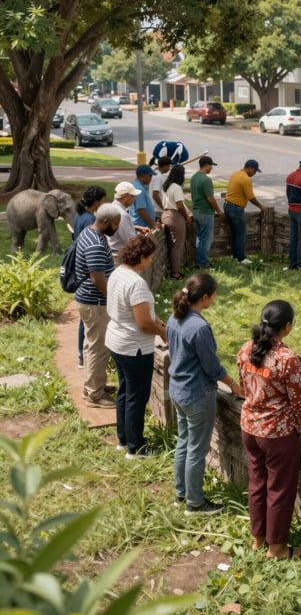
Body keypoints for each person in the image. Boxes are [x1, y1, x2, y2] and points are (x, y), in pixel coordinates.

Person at [237, 300, 301, 557]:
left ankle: (258, 540)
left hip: (249, 427)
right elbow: (300, 402)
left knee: (257, 483)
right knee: (279, 488)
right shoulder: (286, 359)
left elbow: (244, 386)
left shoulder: (246, 349)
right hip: (277, 434)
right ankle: (277, 547)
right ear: (287, 327)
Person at [167, 273, 244, 515]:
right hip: (197, 394)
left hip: (177, 389)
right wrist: (232, 383)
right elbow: (212, 367)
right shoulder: (199, 327)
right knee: (197, 450)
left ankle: (181, 492)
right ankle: (195, 503)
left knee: (184, 440)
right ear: (207, 298)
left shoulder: (174, 317)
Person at [105, 235, 167, 458]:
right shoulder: (136, 283)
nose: (151, 261)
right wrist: (162, 331)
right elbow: (142, 323)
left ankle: (124, 438)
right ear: (140, 257)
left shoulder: (118, 273)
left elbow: (142, 314)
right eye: (149, 258)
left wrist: (157, 321)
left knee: (124, 392)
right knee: (137, 397)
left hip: (116, 340)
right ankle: (136, 447)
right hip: (134, 348)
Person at [74, 203, 122, 408]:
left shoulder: (89, 232)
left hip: (90, 301)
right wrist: (113, 299)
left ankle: (92, 384)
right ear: (105, 222)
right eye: (116, 223)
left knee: (90, 344)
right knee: (98, 347)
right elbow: (98, 279)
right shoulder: (94, 243)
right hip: (96, 302)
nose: (117, 227)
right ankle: (95, 395)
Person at [73, 186, 107, 368]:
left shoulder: (79, 216)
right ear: (96, 202)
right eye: (101, 201)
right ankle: (82, 356)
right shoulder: (91, 221)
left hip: (81, 271)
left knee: (84, 320)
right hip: (89, 274)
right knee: (88, 322)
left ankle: (82, 355)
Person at [224, 159, 266, 265]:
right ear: (250, 168)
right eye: (255, 171)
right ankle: (241, 258)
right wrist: (260, 206)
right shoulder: (246, 179)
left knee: (235, 233)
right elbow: (250, 197)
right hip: (236, 208)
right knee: (241, 233)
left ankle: (236, 257)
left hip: (227, 205)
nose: (255, 173)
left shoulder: (236, 174)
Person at [190, 155, 223, 269]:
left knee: (200, 238)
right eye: (211, 166)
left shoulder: (194, 178)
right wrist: (218, 210)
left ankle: (199, 262)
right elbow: (210, 198)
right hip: (206, 212)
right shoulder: (206, 180)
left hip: (196, 211)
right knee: (206, 239)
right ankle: (204, 263)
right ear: (207, 165)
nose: (211, 168)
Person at [161, 164, 192, 281]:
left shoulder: (166, 186)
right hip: (175, 216)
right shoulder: (177, 187)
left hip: (165, 214)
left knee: (170, 245)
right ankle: (175, 273)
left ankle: (172, 269)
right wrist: (186, 217)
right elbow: (179, 205)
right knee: (177, 246)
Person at [108, 181, 144, 258]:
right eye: (133, 196)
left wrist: (136, 228)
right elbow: (131, 241)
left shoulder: (112, 207)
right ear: (125, 196)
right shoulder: (121, 215)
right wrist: (145, 238)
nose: (134, 199)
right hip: (118, 256)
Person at [130, 164, 160, 231]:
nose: (151, 178)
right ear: (143, 175)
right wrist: (153, 224)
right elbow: (141, 210)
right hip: (141, 227)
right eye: (149, 176)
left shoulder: (139, 186)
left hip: (142, 225)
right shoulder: (139, 189)